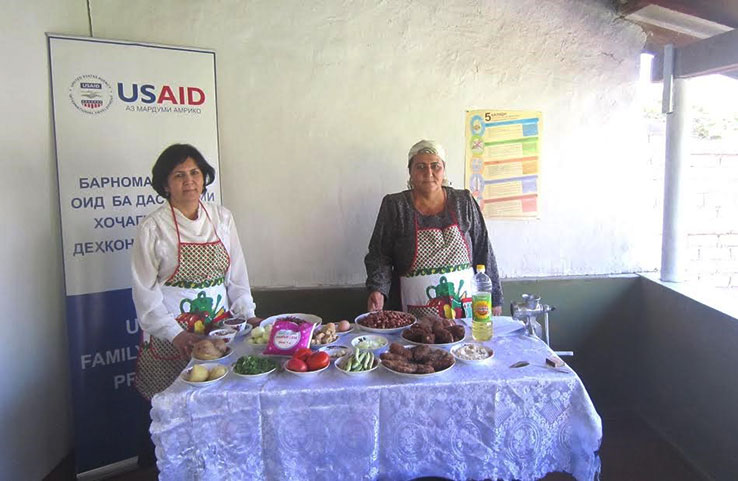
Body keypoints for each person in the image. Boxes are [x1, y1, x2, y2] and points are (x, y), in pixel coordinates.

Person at [130, 143, 260, 464]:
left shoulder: (222, 218)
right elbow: (144, 293)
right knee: (167, 420)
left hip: (218, 335)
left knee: (213, 413)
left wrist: (248, 315)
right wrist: (176, 334)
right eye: (179, 175)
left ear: (204, 178)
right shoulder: (153, 228)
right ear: (164, 184)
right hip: (170, 337)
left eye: (195, 173)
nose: (189, 181)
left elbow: (237, 277)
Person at [365, 139, 502, 320]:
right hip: (410, 314)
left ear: (443, 170)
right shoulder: (395, 205)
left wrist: (495, 299)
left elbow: (483, 249)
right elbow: (379, 255)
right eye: (420, 166)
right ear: (410, 172)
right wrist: (378, 289)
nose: (428, 173)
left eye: (435, 166)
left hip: (467, 312)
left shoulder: (464, 201)